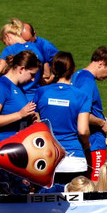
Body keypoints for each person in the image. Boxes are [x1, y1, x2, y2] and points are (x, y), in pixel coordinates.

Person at [34, 51, 91, 185]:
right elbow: (83, 130)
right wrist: (86, 144)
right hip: (74, 159)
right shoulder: (81, 96)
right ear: (73, 70)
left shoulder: (41, 92)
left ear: (53, 69)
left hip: (46, 158)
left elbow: (35, 124)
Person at [72, 46, 107, 181]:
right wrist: (102, 122)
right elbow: (81, 113)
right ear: (101, 63)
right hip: (93, 143)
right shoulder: (87, 81)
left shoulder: (77, 75)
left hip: (83, 141)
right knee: (95, 184)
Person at [0, 49, 39, 151]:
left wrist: (30, 118)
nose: (33, 79)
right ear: (21, 69)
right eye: (32, 74)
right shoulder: (1, 86)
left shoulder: (18, 88)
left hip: (12, 148)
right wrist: (20, 114)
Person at [0, 19, 48, 92]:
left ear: (7, 36)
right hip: (36, 94)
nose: (6, 45)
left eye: (5, 42)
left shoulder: (11, 49)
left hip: (18, 93)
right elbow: (47, 74)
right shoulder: (39, 47)